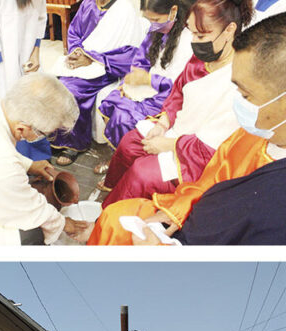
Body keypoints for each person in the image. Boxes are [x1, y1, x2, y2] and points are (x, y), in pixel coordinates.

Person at [91, 11, 286, 245]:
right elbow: (210, 181)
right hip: (189, 205)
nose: (238, 102)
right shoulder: (251, 134)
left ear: (229, 31)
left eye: (245, 95)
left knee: (139, 179)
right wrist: (175, 212)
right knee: (114, 215)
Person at [99, 0, 251, 207]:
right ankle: (114, 198)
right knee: (129, 144)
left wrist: (169, 145)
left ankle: (121, 217)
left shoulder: (239, 78)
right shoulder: (202, 58)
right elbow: (178, 92)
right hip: (176, 130)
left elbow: (215, 142)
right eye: (192, 32)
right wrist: (163, 123)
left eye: (201, 35)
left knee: (142, 174)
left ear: (229, 30)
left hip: (201, 154)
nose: (194, 41)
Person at [0, 73, 87, 245]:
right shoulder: (0, 167)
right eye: (44, 135)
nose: (44, 138)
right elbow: (31, 213)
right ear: (22, 129)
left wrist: (29, 164)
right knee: (31, 235)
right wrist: (65, 223)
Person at [49, 0, 150, 166]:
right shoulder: (88, 4)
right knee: (54, 82)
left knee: (72, 89)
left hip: (108, 66)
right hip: (82, 60)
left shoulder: (123, 8)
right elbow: (74, 32)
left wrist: (93, 59)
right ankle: (55, 134)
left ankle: (73, 143)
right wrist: (77, 53)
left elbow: (129, 51)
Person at [95, 0, 194, 157]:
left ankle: (126, 159)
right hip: (146, 89)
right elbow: (140, 60)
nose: (152, 24)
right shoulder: (155, 32)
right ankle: (117, 155)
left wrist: (148, 80)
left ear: (173, 11)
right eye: (149, 19)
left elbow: (178, 84)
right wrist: (135, 75)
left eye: (155, 20)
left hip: (167, 96)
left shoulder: (188, 41)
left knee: (123, 117)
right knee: (111, 100)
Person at [0, 0, 45, 97]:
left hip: (30, 54)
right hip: (4, 58)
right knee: (8, 99)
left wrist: (36, 52)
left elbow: (41, 17)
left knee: (32, 99)